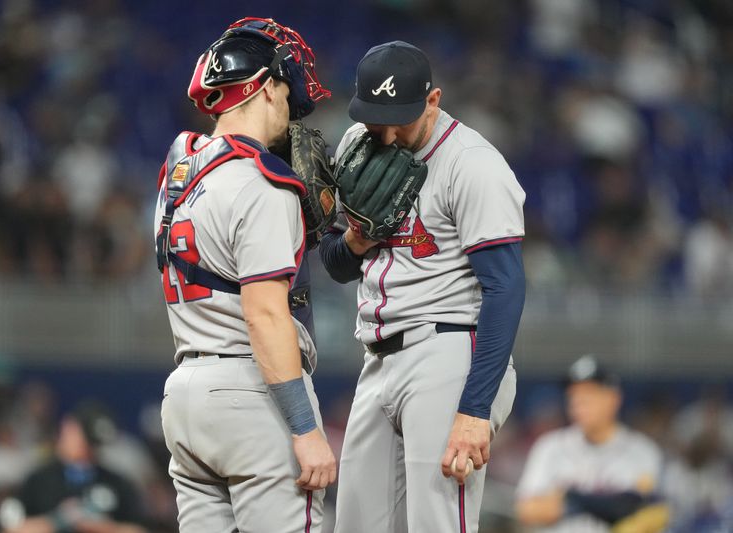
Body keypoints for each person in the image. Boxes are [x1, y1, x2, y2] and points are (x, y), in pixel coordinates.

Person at [320, 41, 526, 532]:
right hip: (377, 357)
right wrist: (356, 237)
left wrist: (475, 410)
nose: (387, 134)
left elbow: (506, 288)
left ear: (432, 100)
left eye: (401, 119)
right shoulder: (355, 142)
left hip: (448, 349)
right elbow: (335, 263)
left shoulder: (472, 164)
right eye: (376, 118)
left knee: (436, 523)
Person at [153, 17, 336, 532]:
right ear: (265, 88)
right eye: (286, 87)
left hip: (185, 393)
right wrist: (304, 428)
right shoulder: (264, 183)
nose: (291, 105)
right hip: (253, 393)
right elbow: (264, 316)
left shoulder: (177, 174)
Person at [515, 355, 669, 532]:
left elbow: (652, 512)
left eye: (589, 393)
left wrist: (568, 500)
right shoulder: (550, 446)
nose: (578, 402)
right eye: (573, 395)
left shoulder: (643, 451)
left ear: (613, 398)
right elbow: (526, 510)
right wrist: (599, 504)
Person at [0, 402, 147, 533]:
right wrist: (58, 520)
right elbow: (11, 529)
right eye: (86, 441)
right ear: (68, 428)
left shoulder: (116, 483)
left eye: (94, 444)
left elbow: (139, 529)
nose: (89, 450)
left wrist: (103, 527)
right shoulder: (38, 480)